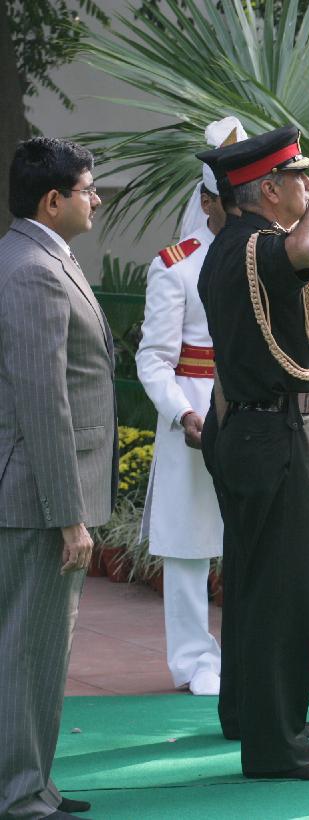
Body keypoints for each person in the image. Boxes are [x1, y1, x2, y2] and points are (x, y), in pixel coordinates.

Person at [196, 125, 309, 780]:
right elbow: (308, 247)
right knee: (283, 593)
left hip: (254, 428)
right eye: (299, 177)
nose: (308, 186)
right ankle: (276, 746)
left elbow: (263, 351)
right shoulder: (261, 245)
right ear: (269, 189)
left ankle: (251, 714)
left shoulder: (227, 247)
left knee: (253, 583)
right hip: (278, 439)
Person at [0, 137, 116, 819]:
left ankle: (33, 784)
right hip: (36, 495)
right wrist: (68, 516)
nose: (96, 199)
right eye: (88, 189)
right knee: (26, 648)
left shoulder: (36, 257)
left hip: (35, 488)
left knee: (37, 647)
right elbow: (45, 400)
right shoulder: (32, 270)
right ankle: (20, 794)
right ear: (53, 200)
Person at [135, 117, 247, 697]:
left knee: (249, 536)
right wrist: (181, 412)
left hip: (251, 404)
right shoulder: (175, 264)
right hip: (194, 405)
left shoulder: (261, 253)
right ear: (207, 202)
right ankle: (193, 660)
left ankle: (246, 655)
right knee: (187, 544)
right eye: (229, 199)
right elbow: (154, 357)